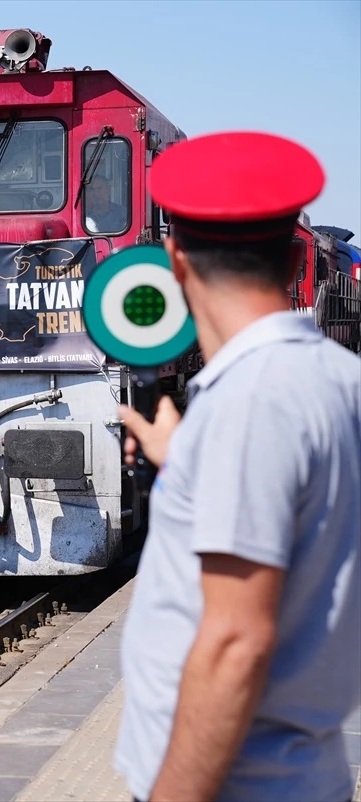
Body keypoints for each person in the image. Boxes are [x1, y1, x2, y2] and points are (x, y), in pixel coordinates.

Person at [113, 130, 361, 802]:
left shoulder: (250, 404)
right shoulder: (337, 377)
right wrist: (188, 457)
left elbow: (234, 644)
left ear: (175, 259)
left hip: (236, 784)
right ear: (292, 256)